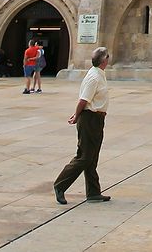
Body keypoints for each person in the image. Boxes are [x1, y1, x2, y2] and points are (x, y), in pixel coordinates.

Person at [54, 47, 112, 205]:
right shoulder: (94, 77)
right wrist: (76, 115)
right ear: (103, 60)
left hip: (97, 119)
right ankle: (60, 185)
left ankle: (93, 193)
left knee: (92, 157)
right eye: (107, 57)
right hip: (89, 118)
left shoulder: (100, 74)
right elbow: (83, 99)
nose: (109, 59)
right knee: (84, 156)